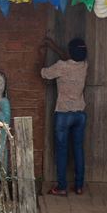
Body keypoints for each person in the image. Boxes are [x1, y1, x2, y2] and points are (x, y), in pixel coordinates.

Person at [40, 36, 88, 195]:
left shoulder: (62, 66)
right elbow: (69, 57)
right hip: (80, 114)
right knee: (78, 149)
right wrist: (53, 45)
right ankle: (79, 186)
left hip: (63, 114)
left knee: (62, 151)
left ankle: (61, 187)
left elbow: (44, 74)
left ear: (70, 52)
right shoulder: (84, 65)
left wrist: (41, 55)